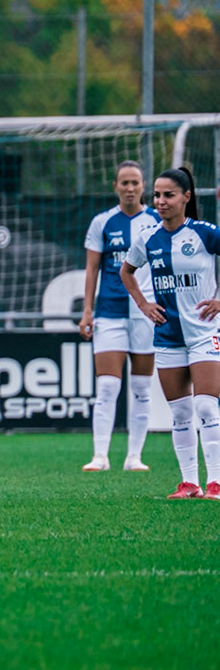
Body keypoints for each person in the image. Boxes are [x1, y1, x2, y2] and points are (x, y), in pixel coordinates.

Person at [120, 166, 220, 500]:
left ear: (186, 198)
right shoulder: (147, 238)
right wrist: (144, 304)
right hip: (167, 336)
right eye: (158, 195)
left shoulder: (204, 233)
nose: (160, 201)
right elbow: (127, 271)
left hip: (205, 333)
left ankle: (216, 483)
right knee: (180, 412)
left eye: (169, 195)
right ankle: (189, 483)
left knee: (206, 406)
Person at [79, 161, 161, 472]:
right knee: (108, 387)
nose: (129, 188)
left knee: (141, 387)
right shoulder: (102, 222)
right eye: (124, 183)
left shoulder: (156, 220)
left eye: (135, 183)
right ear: (115, 186)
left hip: (147, 313)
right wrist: (87, 310)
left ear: (144, 186)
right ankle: (100, 455)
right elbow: (92, 269)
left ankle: (134, 457)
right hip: (110, 312)